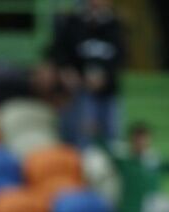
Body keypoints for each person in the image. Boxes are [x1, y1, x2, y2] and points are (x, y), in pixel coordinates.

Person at [51, 0, 126, 147]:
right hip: (78, 90)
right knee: (79, 137)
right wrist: (66, 70)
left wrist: (105, 75)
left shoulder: (115, 24)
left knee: (111, 136)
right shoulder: (72, 21)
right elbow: (58, 51)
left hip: (107, 91)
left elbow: (121, 56)